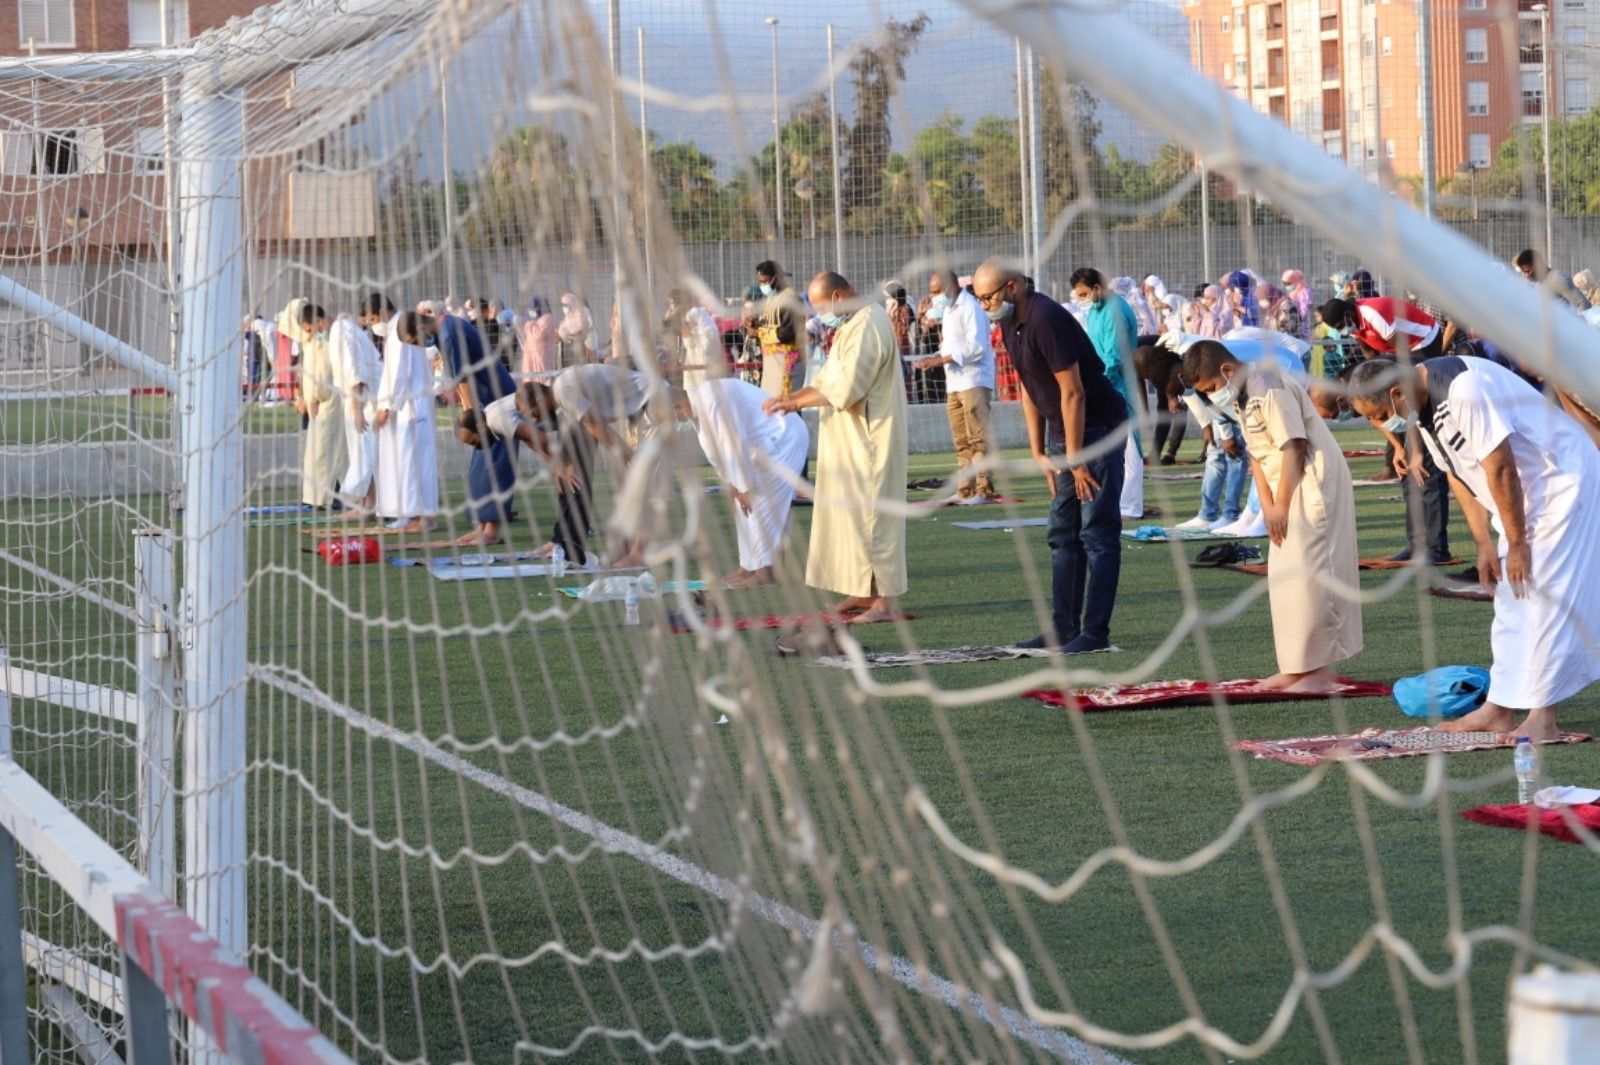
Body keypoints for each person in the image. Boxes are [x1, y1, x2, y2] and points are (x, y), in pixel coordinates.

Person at [1349, 356, 1600, 738]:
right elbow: (1456, 474)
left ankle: (1542, 718)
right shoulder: (1423, 408)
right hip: (1529, 498)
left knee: (1543, 594)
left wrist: (1516, 544)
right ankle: (1498, 709)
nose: (1381, 423)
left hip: (1564, 482)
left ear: (1397, 394)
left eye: (1381, 413)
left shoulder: (1464, 389)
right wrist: (1484, 543)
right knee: (1511, 600)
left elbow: (1499, 465)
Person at [1183, 339, 1363, 691]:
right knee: (1286, 576)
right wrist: (1267, 505)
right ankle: (1296, 668)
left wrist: (1280, 505)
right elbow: (1257, 453)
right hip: (1284, 487)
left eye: (1211, 389)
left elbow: (1293, 445)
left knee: (1314, 573)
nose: (1211, 397)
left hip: (1311, 482)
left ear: (1226, 371)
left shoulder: (1268, 385)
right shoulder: (1241, 393)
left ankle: (1319, 673)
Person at [974, 258, 1126, 654]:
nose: (985, 305)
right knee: (1062, 535)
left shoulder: (1045, 319)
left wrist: (1075, 460)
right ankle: (1062, 629)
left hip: (1097, 432)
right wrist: (1039, 450)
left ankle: (1094, 634)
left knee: (1097, 534)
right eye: (979, 299)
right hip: (1066, 437)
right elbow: (1030, 386)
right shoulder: (1009, 322)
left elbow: (1073, 392)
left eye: (988, 296)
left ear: (1012, 287)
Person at [762, 271, 907, 624]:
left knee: (873, 519)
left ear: (839, 297)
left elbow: (847, 387)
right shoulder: (851, 325)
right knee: (854, 518)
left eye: (822, 305)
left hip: (871, 441)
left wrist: (794, 404)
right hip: (850, 443)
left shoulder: (870, 323)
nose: (820, 313)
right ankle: (863, 590)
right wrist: (791, 398)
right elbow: (827, 379)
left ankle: (884, 603)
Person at [677, 378, 809, 588]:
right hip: (763, 444)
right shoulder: (697, 406)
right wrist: (732, 483)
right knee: (743, 503)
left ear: (677, 405)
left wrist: (744, 486)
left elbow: (733, 443)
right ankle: (747, 568)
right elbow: (715, 450)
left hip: (784, 436)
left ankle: (764, 574)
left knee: (759, 500)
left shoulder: (712, 400)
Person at [433, 309, 519, 547]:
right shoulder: (446, 329)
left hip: (498, 401)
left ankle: (491, 531)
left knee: (497, 465)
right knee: (479, 469)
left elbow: (462, 378)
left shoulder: (449, 333)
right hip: (486, 402)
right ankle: (481, 526)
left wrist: (472, 415)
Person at [914, 268, 997, 499]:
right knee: (961, 439)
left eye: (936, 292)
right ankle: (965, 489)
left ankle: (983, 488)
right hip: (954, 382)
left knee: (977, 437)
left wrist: (939, 360)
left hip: (974, 379)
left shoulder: (970, 307)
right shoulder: (948, 310)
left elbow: (977, 347)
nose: (934, 297)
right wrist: (934, 360)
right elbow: (950, 345)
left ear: (950, 287)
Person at [1071, 267, 1144, 520]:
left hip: (1119, 386)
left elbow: (1114, 357)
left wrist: (1097, 383)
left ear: (1098, 288)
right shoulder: (1095, 311)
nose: (1082, 299)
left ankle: (1131, 506)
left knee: (1130, 447)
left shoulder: (1116, 311)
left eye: (1084, 293)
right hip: (1102, 385)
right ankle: (1115, 502)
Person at [374, 310, 440, 532]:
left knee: (414, 463)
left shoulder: (399, 332)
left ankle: (423, 516)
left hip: (410, 408)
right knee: (408, 463)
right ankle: (411, 514)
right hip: (409, 406)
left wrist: (386, 407)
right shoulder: (400, 329)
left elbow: (399, 372)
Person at [281, 299, 346, 509]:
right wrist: (304, 397)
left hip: (327, 403)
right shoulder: (311, 341)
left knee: (328, 453)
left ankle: (331, 497)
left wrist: (315, 396)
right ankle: (318, 497)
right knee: (318, 454)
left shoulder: (326, 340)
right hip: (316, 404)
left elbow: (323, 373)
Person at [329, 310, 383, 517]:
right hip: (362, 396)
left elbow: (354, 372)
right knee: (362, 451)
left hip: (364, 398)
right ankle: (365, 502)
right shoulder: (346, 329)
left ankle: (368, 504)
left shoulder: (340, 332)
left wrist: (355, 408)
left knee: (365, 451)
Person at [752, 261, 805, 398]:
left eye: (765, 281)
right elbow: (768, 324)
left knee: (788, 409)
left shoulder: (790, 299)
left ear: (776, 278)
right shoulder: (771, 299)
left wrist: (759, 332)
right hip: (772, 364)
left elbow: (787, 333)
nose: (762, 285)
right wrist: (754, 325)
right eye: (760, 282)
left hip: (788, 364)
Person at [1131, 342, 1187, 465]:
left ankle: (1171, 452)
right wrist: (1145, 412)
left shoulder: (1169, 358)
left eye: (1149, 376)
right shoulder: (1135, 358)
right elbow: (1139, 381)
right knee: (1165, 410)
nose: (1148, 379)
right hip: (1157, 365)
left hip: (1170, 366)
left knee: (1176, 409)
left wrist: (1171, 398)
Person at [1513, 248, 1589, 310]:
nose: (1527, 275)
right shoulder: (1533, 284)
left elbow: (1583, 304)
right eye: (1524, 272)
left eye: (1528, 271)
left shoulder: (1557, 279)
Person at [519, 297, 559, 376]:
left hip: (542, 361)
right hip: (531, 360)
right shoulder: (535, 321)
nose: (531, 311)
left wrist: (531, 325)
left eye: (533, 309)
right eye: (530, 309)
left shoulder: (548, 319)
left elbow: (539, 334)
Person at [557, 294, 595, 367]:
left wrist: (567, 332)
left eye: (566, 306)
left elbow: (581, 326)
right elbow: (562, 329)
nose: (564, 308)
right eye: (563, 306)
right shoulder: (568, 316)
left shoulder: (582, 312)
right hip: (570, 349)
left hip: (583, 347)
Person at [1281, 269, 1315, 337]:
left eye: (1288, 283)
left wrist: (1297, 319)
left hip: (1300, 327)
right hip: (1291, 324)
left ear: (1295, 281)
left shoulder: (1305, 292)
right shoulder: (1293, 292)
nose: (1286, 286)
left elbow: (1305, 311)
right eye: (1284, 283)